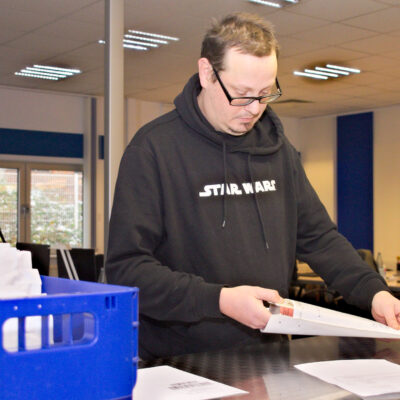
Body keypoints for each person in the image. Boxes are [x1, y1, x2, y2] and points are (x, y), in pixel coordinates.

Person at [106, 13, 400, 360]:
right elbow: (127, 268)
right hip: (181, 361)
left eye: (265, 94)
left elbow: (319, 238)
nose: (255, 109)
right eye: (242, 95)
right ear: (206, 73)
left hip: (267, 357)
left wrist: (374, 292)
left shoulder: (277, 150)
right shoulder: (154, 149)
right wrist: (219, 300)